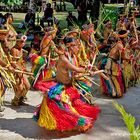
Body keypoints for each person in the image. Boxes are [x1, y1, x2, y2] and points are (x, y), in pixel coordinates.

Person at [33, 36, 100, 132]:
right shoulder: (64, 59)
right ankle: (80, 122)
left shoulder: (73, 57)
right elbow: (76, 69)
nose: (78, 48)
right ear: (70, 46)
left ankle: (79, 122)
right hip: (61, 87)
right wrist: (87, 70)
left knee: (81, 101)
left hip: (70, 85)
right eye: (76, 46)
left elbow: (76, 71)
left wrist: (89, 69)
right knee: (64, 108)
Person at [99, 30, 132, 98]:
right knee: (112, 77)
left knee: (113, 76)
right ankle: (114, 92)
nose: (127, 39)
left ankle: (113, 92)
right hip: (111, 62)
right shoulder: (120, 45)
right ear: (124, 38)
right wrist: (128, 58)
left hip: (112, 61)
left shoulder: (118, 43)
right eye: (126, 37)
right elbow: (122, 56)